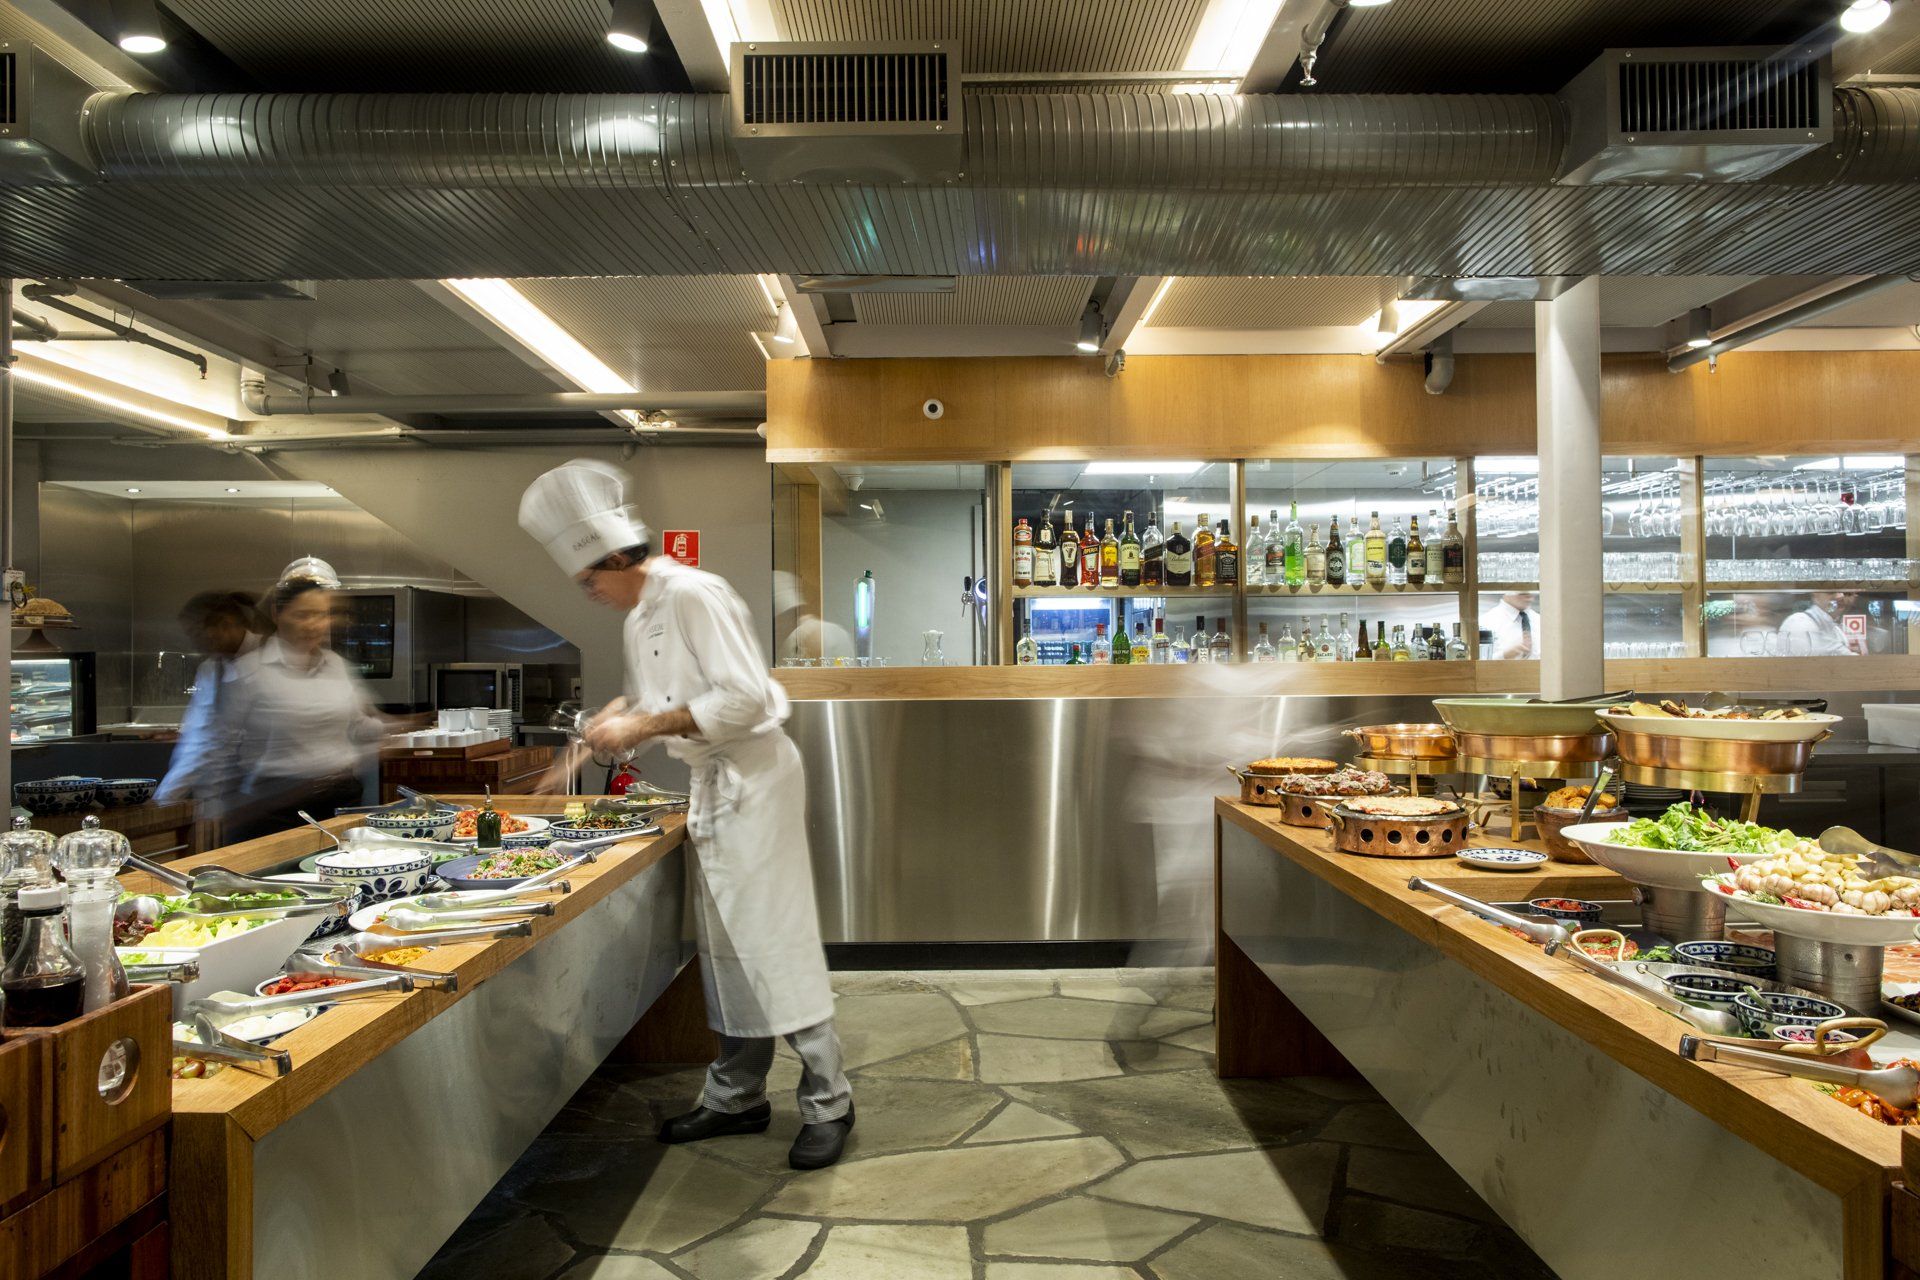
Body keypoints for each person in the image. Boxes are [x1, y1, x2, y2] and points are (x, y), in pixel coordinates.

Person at [518, 460, 853, 1170]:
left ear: (614, 558)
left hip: (755, 784)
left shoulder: (695, 593)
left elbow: (749, 700)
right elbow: (653, 704)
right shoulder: (641, 616)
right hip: (714, 789)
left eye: (589, 581)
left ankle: (831, 1098)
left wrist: (638, 731)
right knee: (728, 945)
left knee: (772, 939)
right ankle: (737, 1095)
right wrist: (594, 735)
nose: (592, 594)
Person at [218, 559, 386, 842]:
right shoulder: (249, 673)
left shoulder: (336, 666)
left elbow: (357, 725)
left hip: (339, 802)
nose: (313, 625)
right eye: (302, 615)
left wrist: (399, 731)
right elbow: (218, 745)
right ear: (277, 614)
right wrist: (213, 808)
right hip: (275, 808)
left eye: (321, 615)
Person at [155, 591, 265, 831]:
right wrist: (165, 800)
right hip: (223, 805)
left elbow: (210, 742)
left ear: (225, 625)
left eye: (195, 634)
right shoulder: (210, 669)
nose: (194, 643)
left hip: (264, 798)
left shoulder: (270, 660)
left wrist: (163, 801)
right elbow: (200, 740)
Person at [1777, 589, 1861, 656]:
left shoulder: (1837, 629)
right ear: (1815, 595)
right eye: (1831, 591)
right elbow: (1841, 660)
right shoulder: (1798, 622)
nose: (1840, 596)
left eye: (1847, 593)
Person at [1481, 590, 1541, 660]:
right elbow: (1477, 663)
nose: (1527, 591)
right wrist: (1504, 656)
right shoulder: (1485, 622)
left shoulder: (1542, 621)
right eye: (1522, 591)